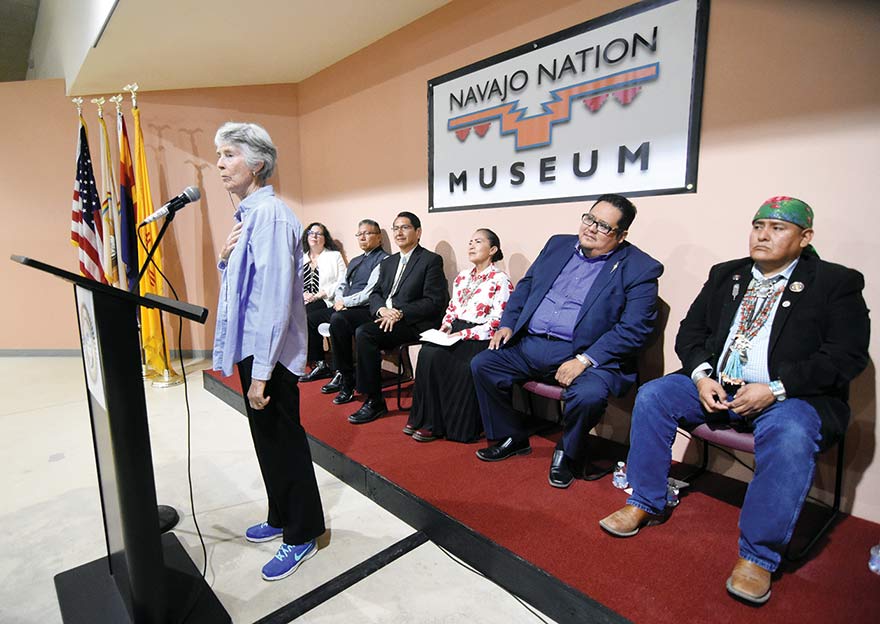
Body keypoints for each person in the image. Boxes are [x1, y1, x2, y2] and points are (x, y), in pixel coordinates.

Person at [599, 197, 869, 605]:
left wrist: (775, 389)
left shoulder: (835, 282)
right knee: (655, 394)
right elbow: (690, 333)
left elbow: (846, 356)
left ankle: (757, 555)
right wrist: (702, 376)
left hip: (790, 395)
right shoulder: (728, 274)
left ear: (805, 237)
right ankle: (644, 499)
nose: (763, 234)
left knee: (791, 432)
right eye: (758, 224)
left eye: (777, 228)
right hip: (719, 383)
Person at [470, 194, 663, 489]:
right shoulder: (557, 245)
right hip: (530, 344)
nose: (591, 228)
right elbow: (527, 287)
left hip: (584, 355)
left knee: (589, 396)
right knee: (483, 364)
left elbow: (635, 328)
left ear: (621, 235)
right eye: (590, 219)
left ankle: (568, 453)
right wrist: (507, 323)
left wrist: (584, 360)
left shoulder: (639, 268)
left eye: (604, 226)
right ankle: (512, 436)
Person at [212, 122, 325, 581]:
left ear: (257, 163)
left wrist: (262, 372)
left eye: (229, 155)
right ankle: (280, 516)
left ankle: (301, 534)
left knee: (283, 442)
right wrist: (224, 257)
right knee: (266, 442)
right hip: (253, 350)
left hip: (270, 355)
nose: (219, 164)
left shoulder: (273, 216)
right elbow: (245, 290)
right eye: (218, 155)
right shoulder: (249, 218)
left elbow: (277, 299)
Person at [405, 229, 513, 442]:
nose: (471, 246)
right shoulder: (462, 277)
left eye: (478, 242)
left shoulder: (500, 280)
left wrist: (464, 333)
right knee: (427, 353)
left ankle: (452, 425)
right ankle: (425, 419)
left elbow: (497, 321)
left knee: (450, 360)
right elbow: (452, 308)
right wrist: (446, 327)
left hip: (480, 336)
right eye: (470, 241)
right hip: (456, 331)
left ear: (492, 249)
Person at [347, 211, 449, 424]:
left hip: (414, 322)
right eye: (395, 228)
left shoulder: (430, 260)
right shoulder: (388, 262)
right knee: (343, 321)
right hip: (387, 317)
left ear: (418, 232)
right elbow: (375, 294)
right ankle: (346, 380)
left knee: (365, 333)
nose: (399, 232)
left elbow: (435, 301)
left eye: (405, 227)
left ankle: (375, 401)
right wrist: (382, 310)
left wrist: (401, 313)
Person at [319, 219, 389, 402]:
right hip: (345, 307)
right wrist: (339, 299)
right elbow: (342, 283)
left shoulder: (384, 260)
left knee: (338, 320)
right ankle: (330, 368)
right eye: (359, 234)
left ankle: (346, 379)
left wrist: (346, 302)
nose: (362, 237)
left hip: (366, 309)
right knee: (313, 317)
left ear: (379, 238)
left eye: (368, 233)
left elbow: (370, 292)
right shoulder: (356, 260)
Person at [299, 222, 346, 382]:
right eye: (311, 233)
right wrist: (302, 294)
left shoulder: (334, 256)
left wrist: (319, 295)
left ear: (325, 239)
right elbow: (293, 281)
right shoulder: (301, 256)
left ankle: (320, 363)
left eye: (319, 234)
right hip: (303, 299)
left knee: (307, 315)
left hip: (326, 299)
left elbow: (342, 280)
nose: (314, 236)